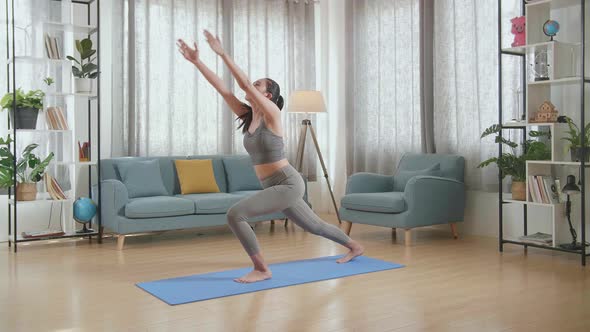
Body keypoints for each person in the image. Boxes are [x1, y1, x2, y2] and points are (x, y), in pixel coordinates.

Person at [177, 30, 364, 283]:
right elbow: (223, 90)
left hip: (286, 183)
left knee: (235, 214)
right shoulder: (247, 116)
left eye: (257, 85)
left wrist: (222, 54)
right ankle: (354, 246)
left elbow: (241, 84)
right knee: (314, 226)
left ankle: (262, 269)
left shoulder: (273, 114)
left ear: (267, 96)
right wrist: (197, 61)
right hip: (273, 185)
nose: (250, 86)